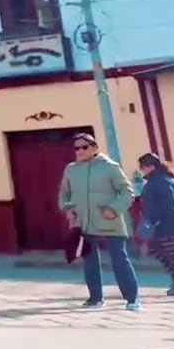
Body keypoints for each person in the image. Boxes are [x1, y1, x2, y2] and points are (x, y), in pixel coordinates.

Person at [58, 133, 139, 311]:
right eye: (76, 148)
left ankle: (132, 299)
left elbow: (127, 192)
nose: (79, 151)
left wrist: (113, 209)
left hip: (109, 220)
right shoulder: (71, 169)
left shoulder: (110, 167)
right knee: (89, 261)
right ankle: (95, 298)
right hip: (84, 222)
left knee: (119, 260)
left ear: (94, 147)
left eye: (84, 147)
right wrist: (67, 208)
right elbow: (64, 194)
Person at [137, 152, 174, 297]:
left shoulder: (161, 180)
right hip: (165, 223)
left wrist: (152, 219)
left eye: (143, 166)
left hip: (170, 223)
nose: (141, 170)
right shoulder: (159, 179)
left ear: (151, 166)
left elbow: (168, 204)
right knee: (162, 252)